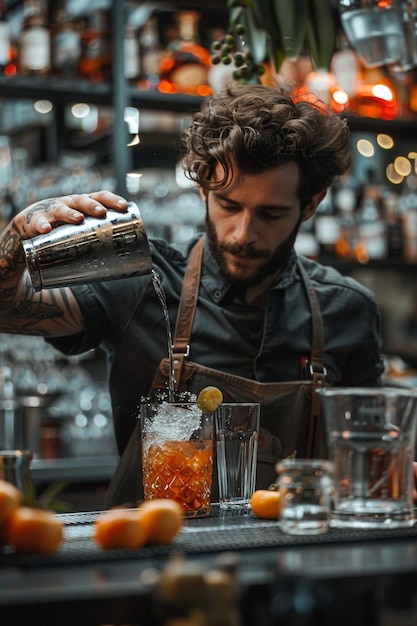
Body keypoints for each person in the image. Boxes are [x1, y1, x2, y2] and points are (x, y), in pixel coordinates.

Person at [0, 83, 385, 506]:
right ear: (203, 189)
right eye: (228, 205)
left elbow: (371, 455)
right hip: (151, 556)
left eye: (271, 214)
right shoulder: (141, 283)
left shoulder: (347, 308)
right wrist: (17, 235)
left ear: (310, 205)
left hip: (292, 560)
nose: (243, 234)